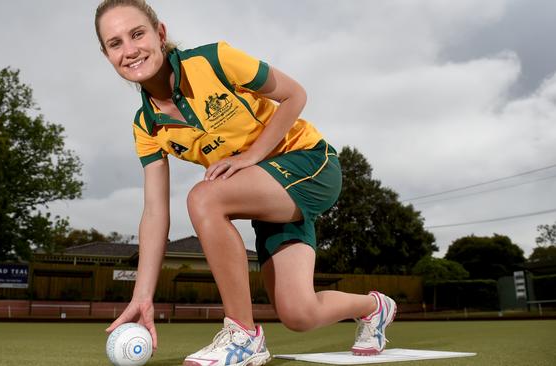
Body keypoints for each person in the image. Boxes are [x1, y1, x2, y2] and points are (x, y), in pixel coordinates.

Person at [95, 1, 396, 365]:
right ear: (107, 55)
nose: (129, 50)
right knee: (298, 313)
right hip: (266, 195)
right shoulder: (146, 126)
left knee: (204, 198)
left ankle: (244, 335)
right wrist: (142, 295)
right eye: (115, 43)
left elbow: (295, 94)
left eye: (137, 33)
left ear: (160, 34)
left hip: (311, 163)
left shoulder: (214, 60)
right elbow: (155, 212)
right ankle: (375, 308)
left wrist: (252, 155)